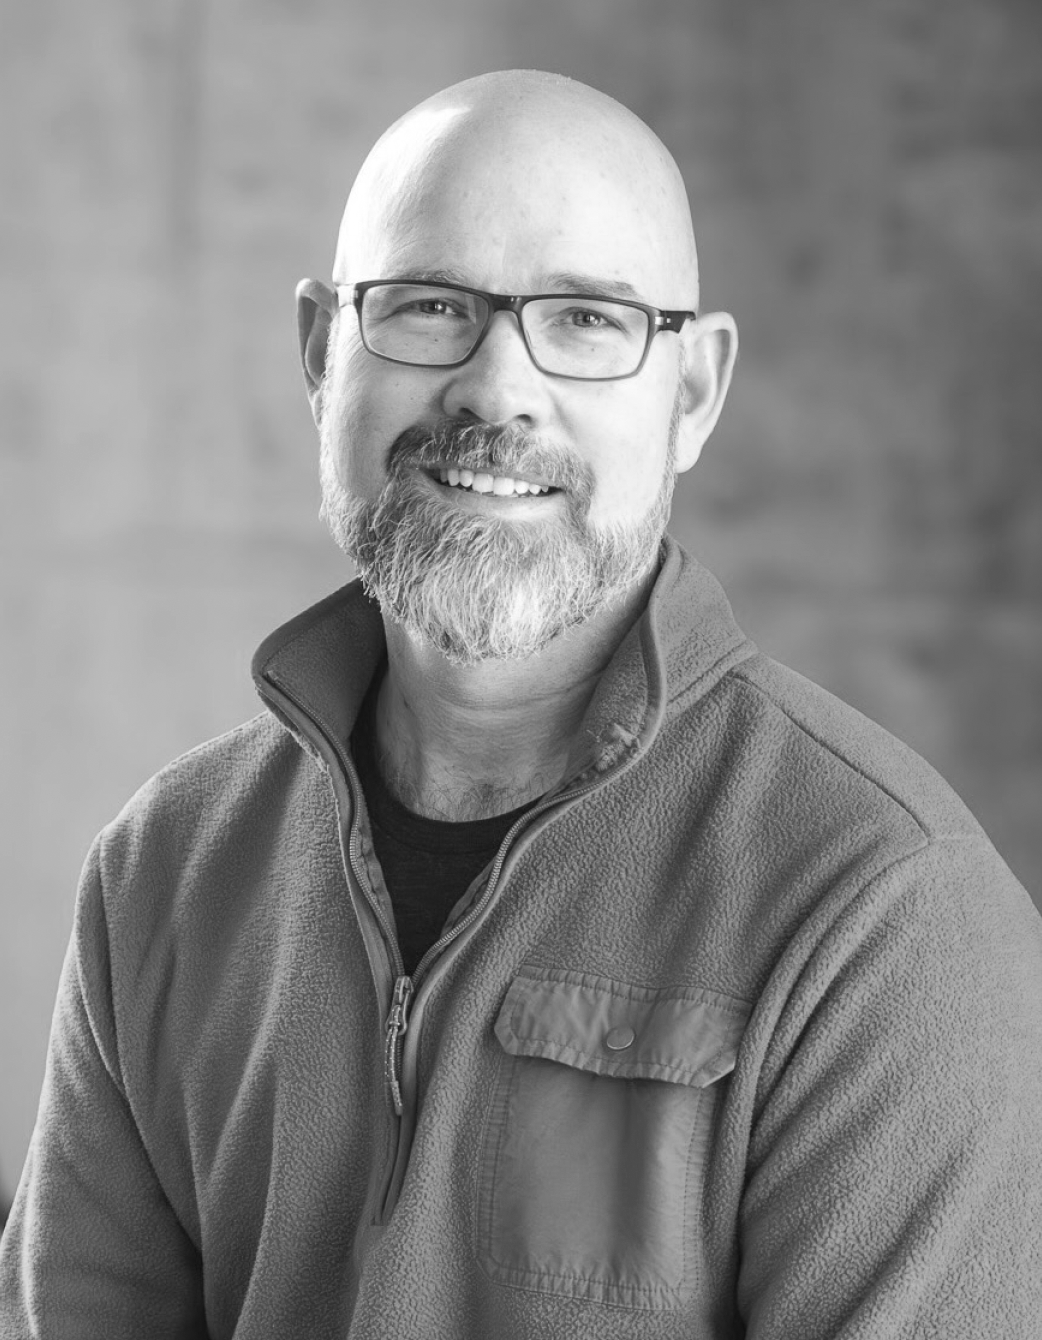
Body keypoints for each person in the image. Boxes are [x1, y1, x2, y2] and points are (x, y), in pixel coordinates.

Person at [1, 69, 1040, 1340]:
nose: (496, 391)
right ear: (325, 354)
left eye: (588, 320)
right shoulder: (163, 870)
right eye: (431, 305)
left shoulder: (884, 916)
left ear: (694, 393)